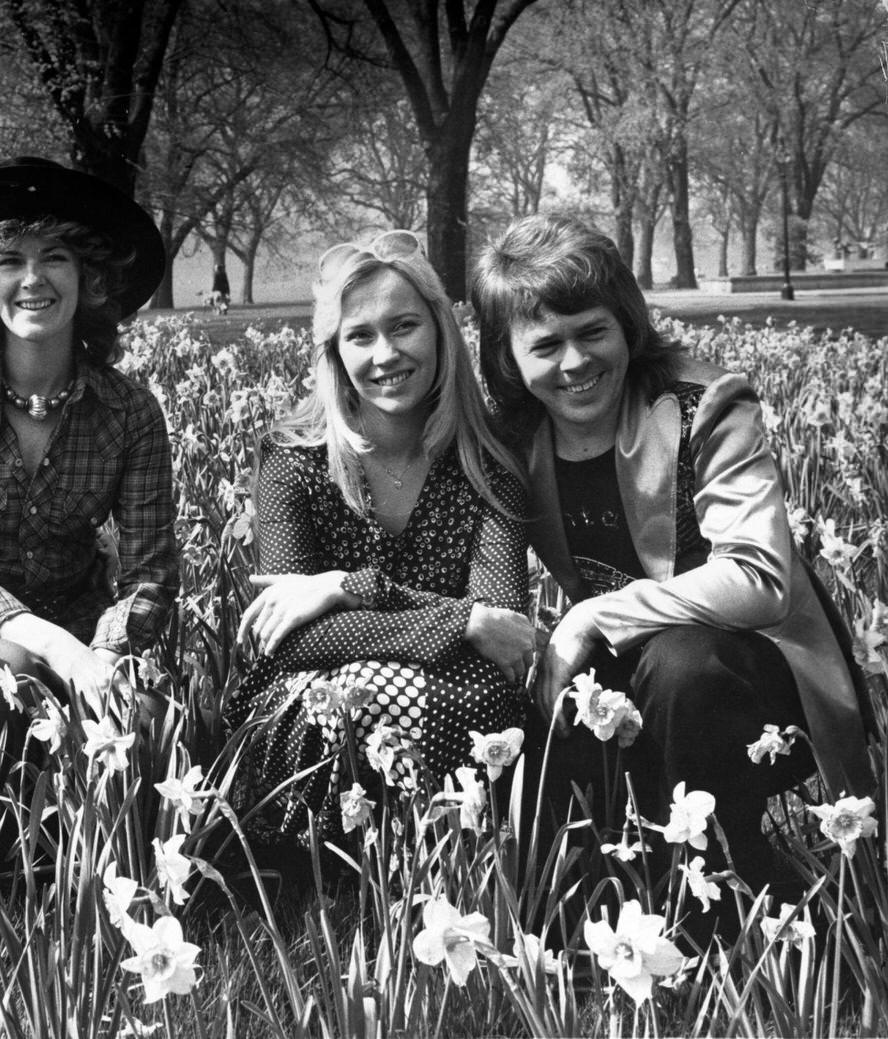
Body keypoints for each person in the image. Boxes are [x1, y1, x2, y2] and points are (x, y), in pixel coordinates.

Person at [471, 213, 874, 903]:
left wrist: (594, 615)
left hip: (755, 671)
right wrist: (336, 589)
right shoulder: (512, 437)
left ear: (627, 324)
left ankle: (723, 882)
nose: (574, 363)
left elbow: (758, 579)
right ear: (509, 357)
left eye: (592, 332)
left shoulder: (705, 404)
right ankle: (622, 885)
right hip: (630, 673)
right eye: (546, 345)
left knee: (683, 664)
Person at [222, 229, 535, 846]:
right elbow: (287, 636)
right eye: (360, 335)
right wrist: (457, 622)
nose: (385, 353)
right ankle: (323, 859)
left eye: (404, 326)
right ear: (334, 352)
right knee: (323, 701)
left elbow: (501, 628)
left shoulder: (487, 464)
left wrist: (340, 591)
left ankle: (436, 853)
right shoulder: (293, 459)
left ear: (441, 330)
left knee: (481, 696)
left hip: (454, 687)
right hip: (320, 689)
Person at [0, 156, 178, 745]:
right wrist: (57, 649)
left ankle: (80, 835)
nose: (33, 280)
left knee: (149, 723)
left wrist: (103, 656)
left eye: (54, 257)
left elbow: (148, 571)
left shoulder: (131, 411)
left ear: (88, 279)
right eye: (10, 261)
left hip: (89, 632)